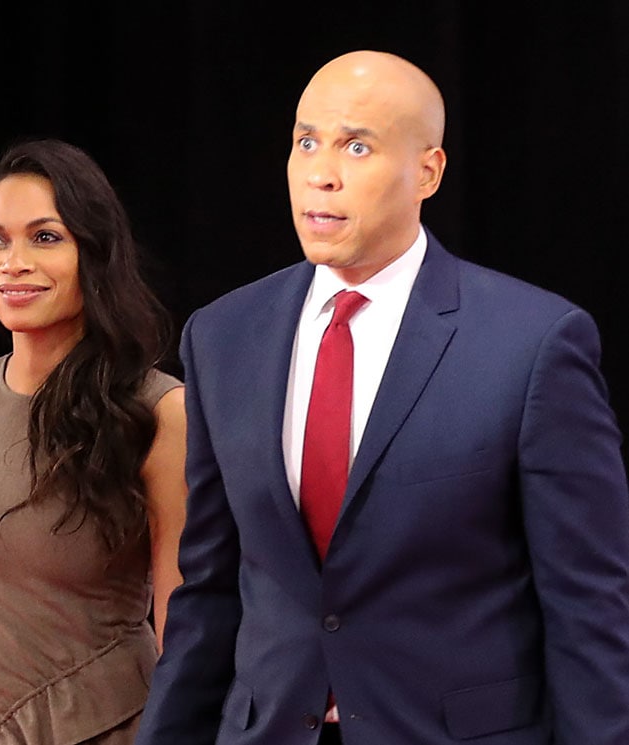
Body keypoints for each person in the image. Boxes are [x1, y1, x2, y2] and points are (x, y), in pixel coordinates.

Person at [135, 50, 629, 745]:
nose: (320, 171)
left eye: (356, 145)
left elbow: (587, 607)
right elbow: (209, 593)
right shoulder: (221, 336)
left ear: (427, 170)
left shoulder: (534, 343)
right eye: (306, 141)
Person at [0, 138, 187, 743]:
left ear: (93, 255)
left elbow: (182, 622)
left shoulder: (158, 412)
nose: (11, 262)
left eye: (45, 238)